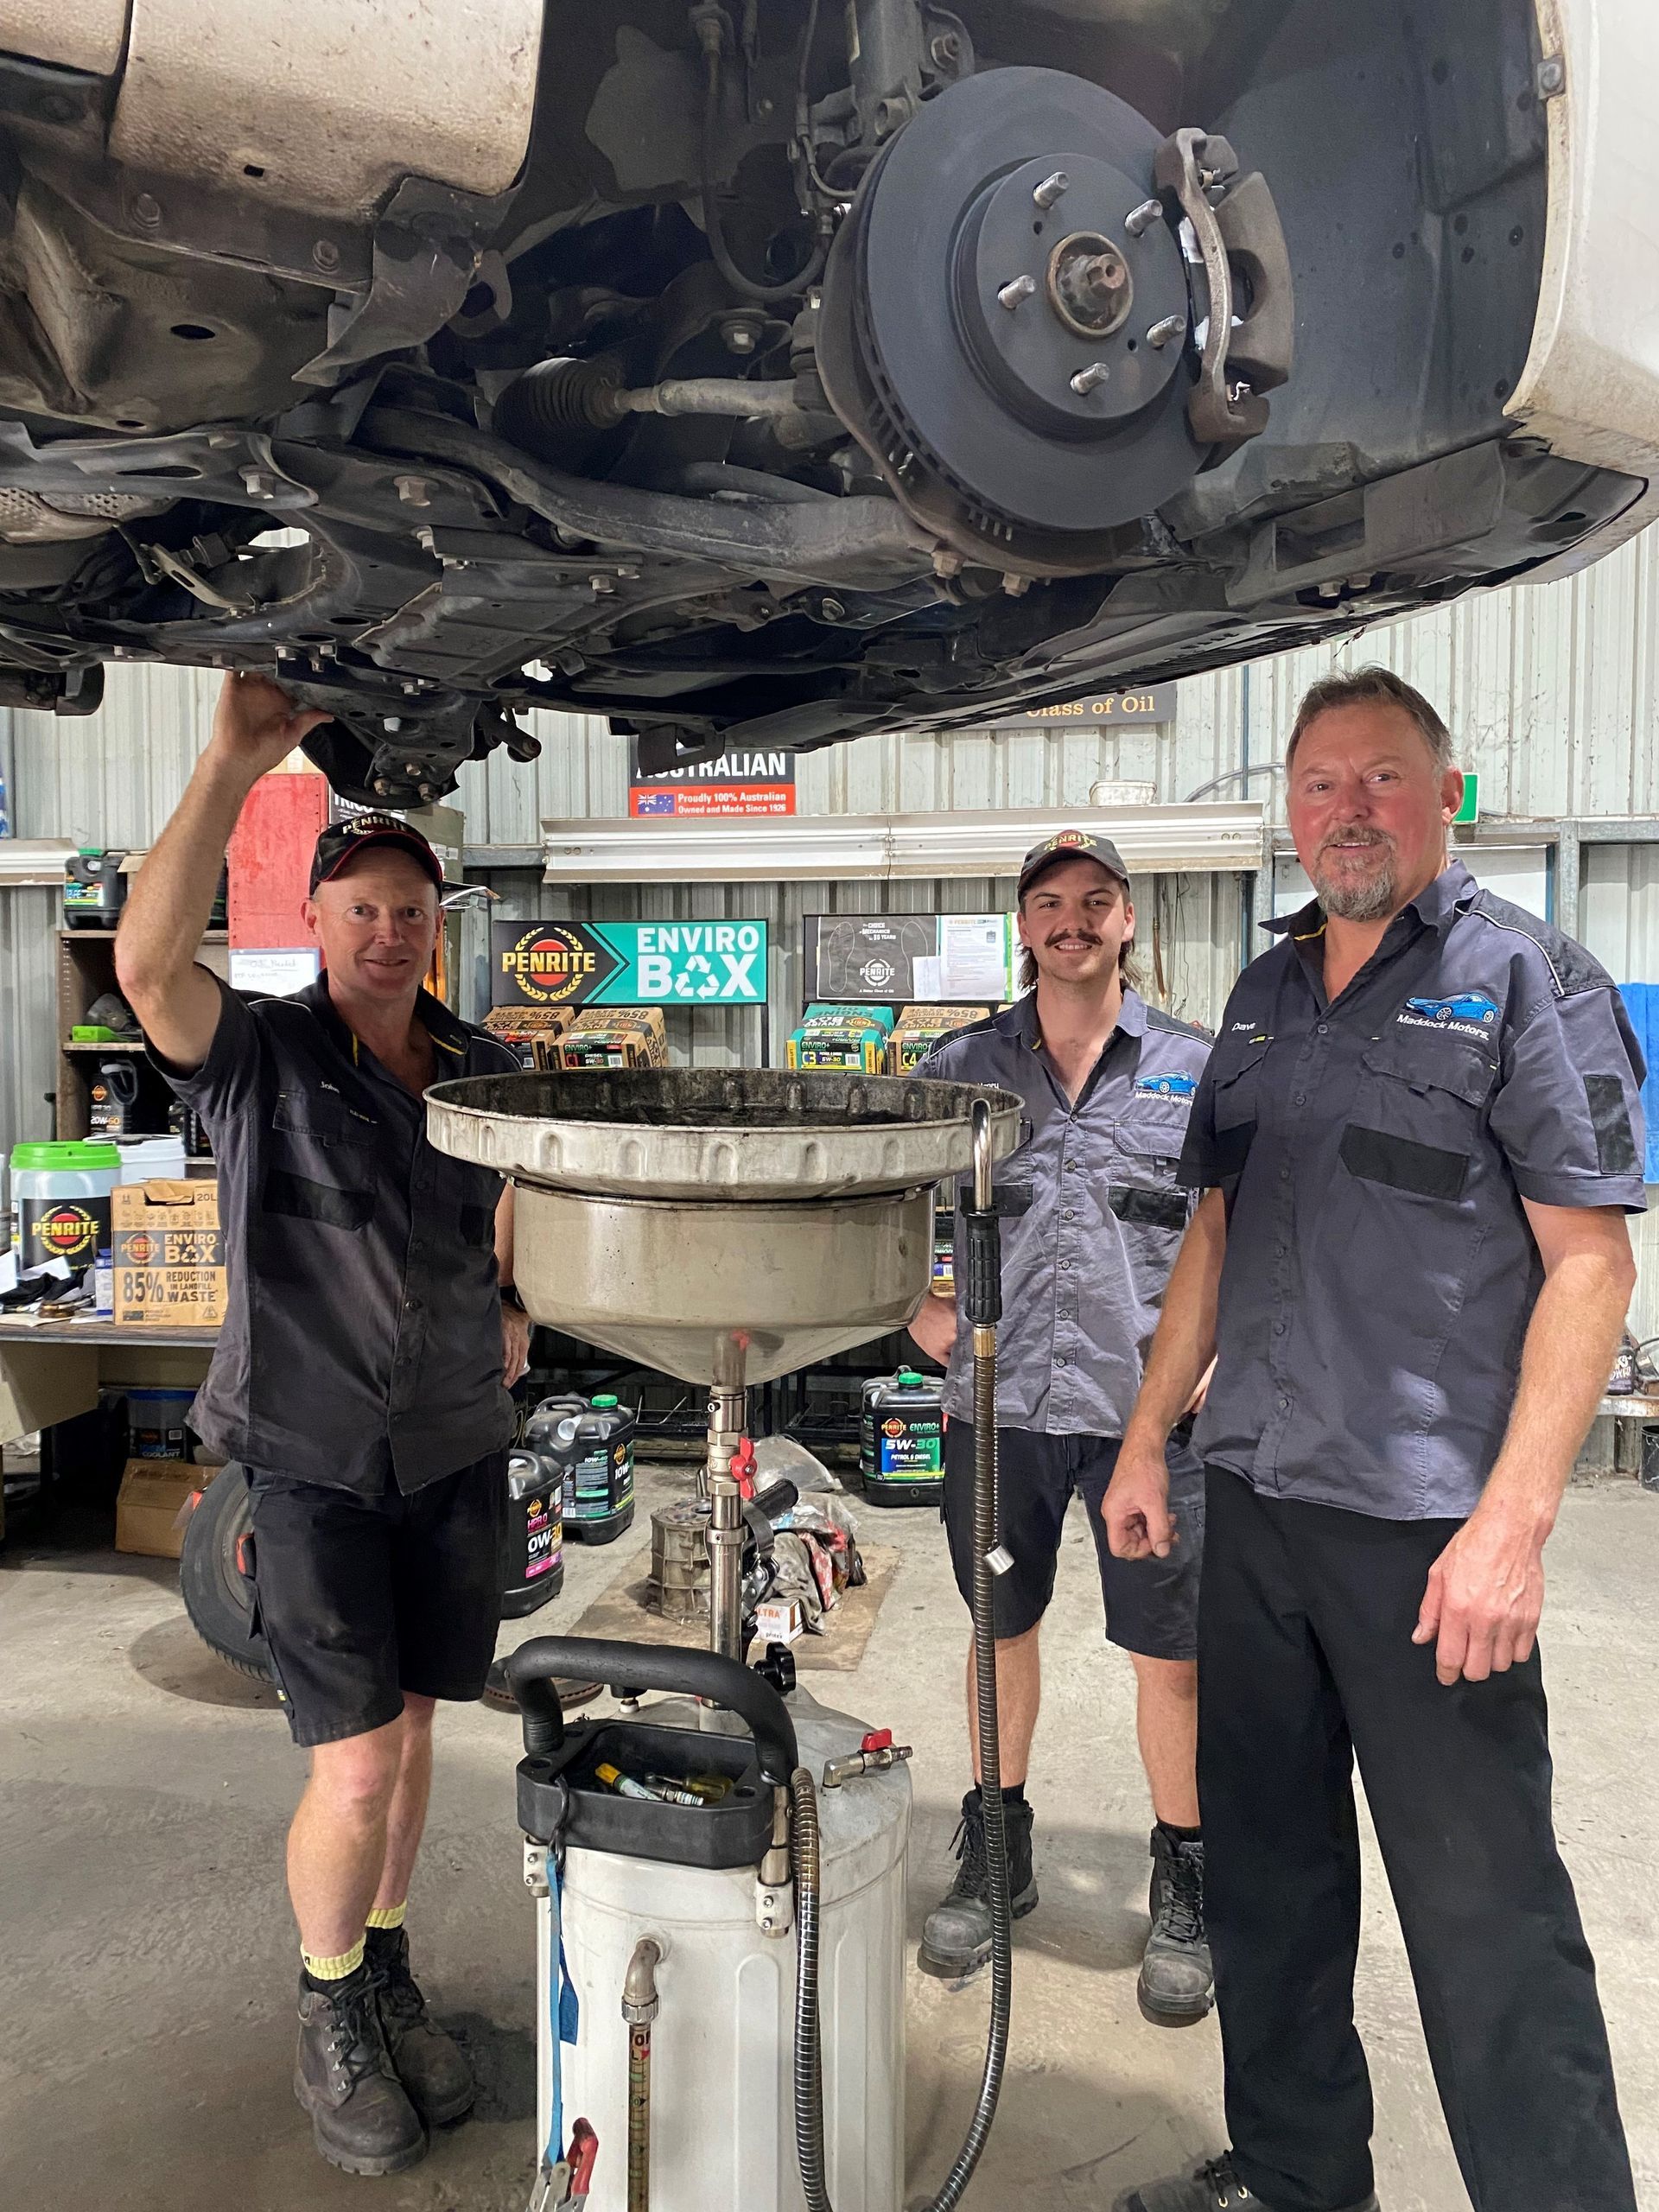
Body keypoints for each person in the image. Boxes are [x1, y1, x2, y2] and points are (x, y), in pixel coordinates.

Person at [1105, 666, 1643, 2212]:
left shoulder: (1530, 977)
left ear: (1445, 796)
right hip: (1254, 1502)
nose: (1351, 809)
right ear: (1291, 809)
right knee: (1270, 1882)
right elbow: (1214, 1232)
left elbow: (1592, 1265)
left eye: (1384, 777)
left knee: (1487, 1921)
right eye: (1322, 783)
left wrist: (1514, 1526)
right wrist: (1146, 1439)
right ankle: (1295, 2175)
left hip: (1428, 1539)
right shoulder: (1264, 997)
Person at [116, 672, 533, 2179]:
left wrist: (516, 1299)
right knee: (352, 1767)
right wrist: (231, 765)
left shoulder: (480, 1069)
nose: (388, 930)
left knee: (416, 1740)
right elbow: (146, 965)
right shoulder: (261, 1058)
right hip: (311, 1466)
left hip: (456, 1452)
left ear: (436, 926)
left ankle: (391, 1958)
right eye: (360, 907)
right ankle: (331, 2003)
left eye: (409, 909)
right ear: (315, 919)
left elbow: (519, 1200)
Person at [907, 830, 1214, 2022]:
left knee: (1172, 1657)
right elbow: (881, 1198)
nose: (1072, 921)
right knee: (1000, 1629)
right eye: (1049, 903)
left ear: (1128, 919)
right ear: (1024, 927)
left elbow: (1246, 1227)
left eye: (1095, 900)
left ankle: (1186, 1877)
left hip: (1150, 1420)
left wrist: (1218, 1354)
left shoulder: (1195, 1068)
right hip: (1000, 1411)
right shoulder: (960, 1069)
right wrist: (913, 1306)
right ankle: (999, 1853)